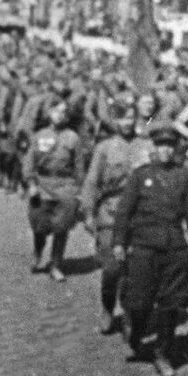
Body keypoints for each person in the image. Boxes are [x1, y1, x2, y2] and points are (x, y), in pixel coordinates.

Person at [112, 121, 188, 376]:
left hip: (174, 247)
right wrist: (119, 243)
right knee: (140, 301)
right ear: (153, 148)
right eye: (161, 146)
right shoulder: (140, 176)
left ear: (176, 149)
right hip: (143, 246)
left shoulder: (182, 177)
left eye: (170, 146)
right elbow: (124, 212)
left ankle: (161, 352)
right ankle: (135, 329)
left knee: (171, 303)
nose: (165, 151)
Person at [79, 100, 149, 335]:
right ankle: (108, 307)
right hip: (111, 213)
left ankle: (129, 314)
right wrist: (88, 213)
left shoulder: (146, 146)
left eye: (131, 117)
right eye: (122, 118)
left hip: (140, 215)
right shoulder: (105, 148)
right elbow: (91, 182)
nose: (127, 122)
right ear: (115, 121)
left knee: (135, 271)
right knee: (111, 270)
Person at [23, 99, 84, 279]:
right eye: (56, 111)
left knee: (62, 228)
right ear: (49, 113)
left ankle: (56, 264)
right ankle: (37, 252)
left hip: (65, 186)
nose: (60, 115)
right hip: (42, 185)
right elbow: (28, 164)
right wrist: (31, 185)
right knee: (39, 226)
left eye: (64, 112)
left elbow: (79, 169)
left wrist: (79, 194)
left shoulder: (73, 138)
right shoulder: (39, 135)